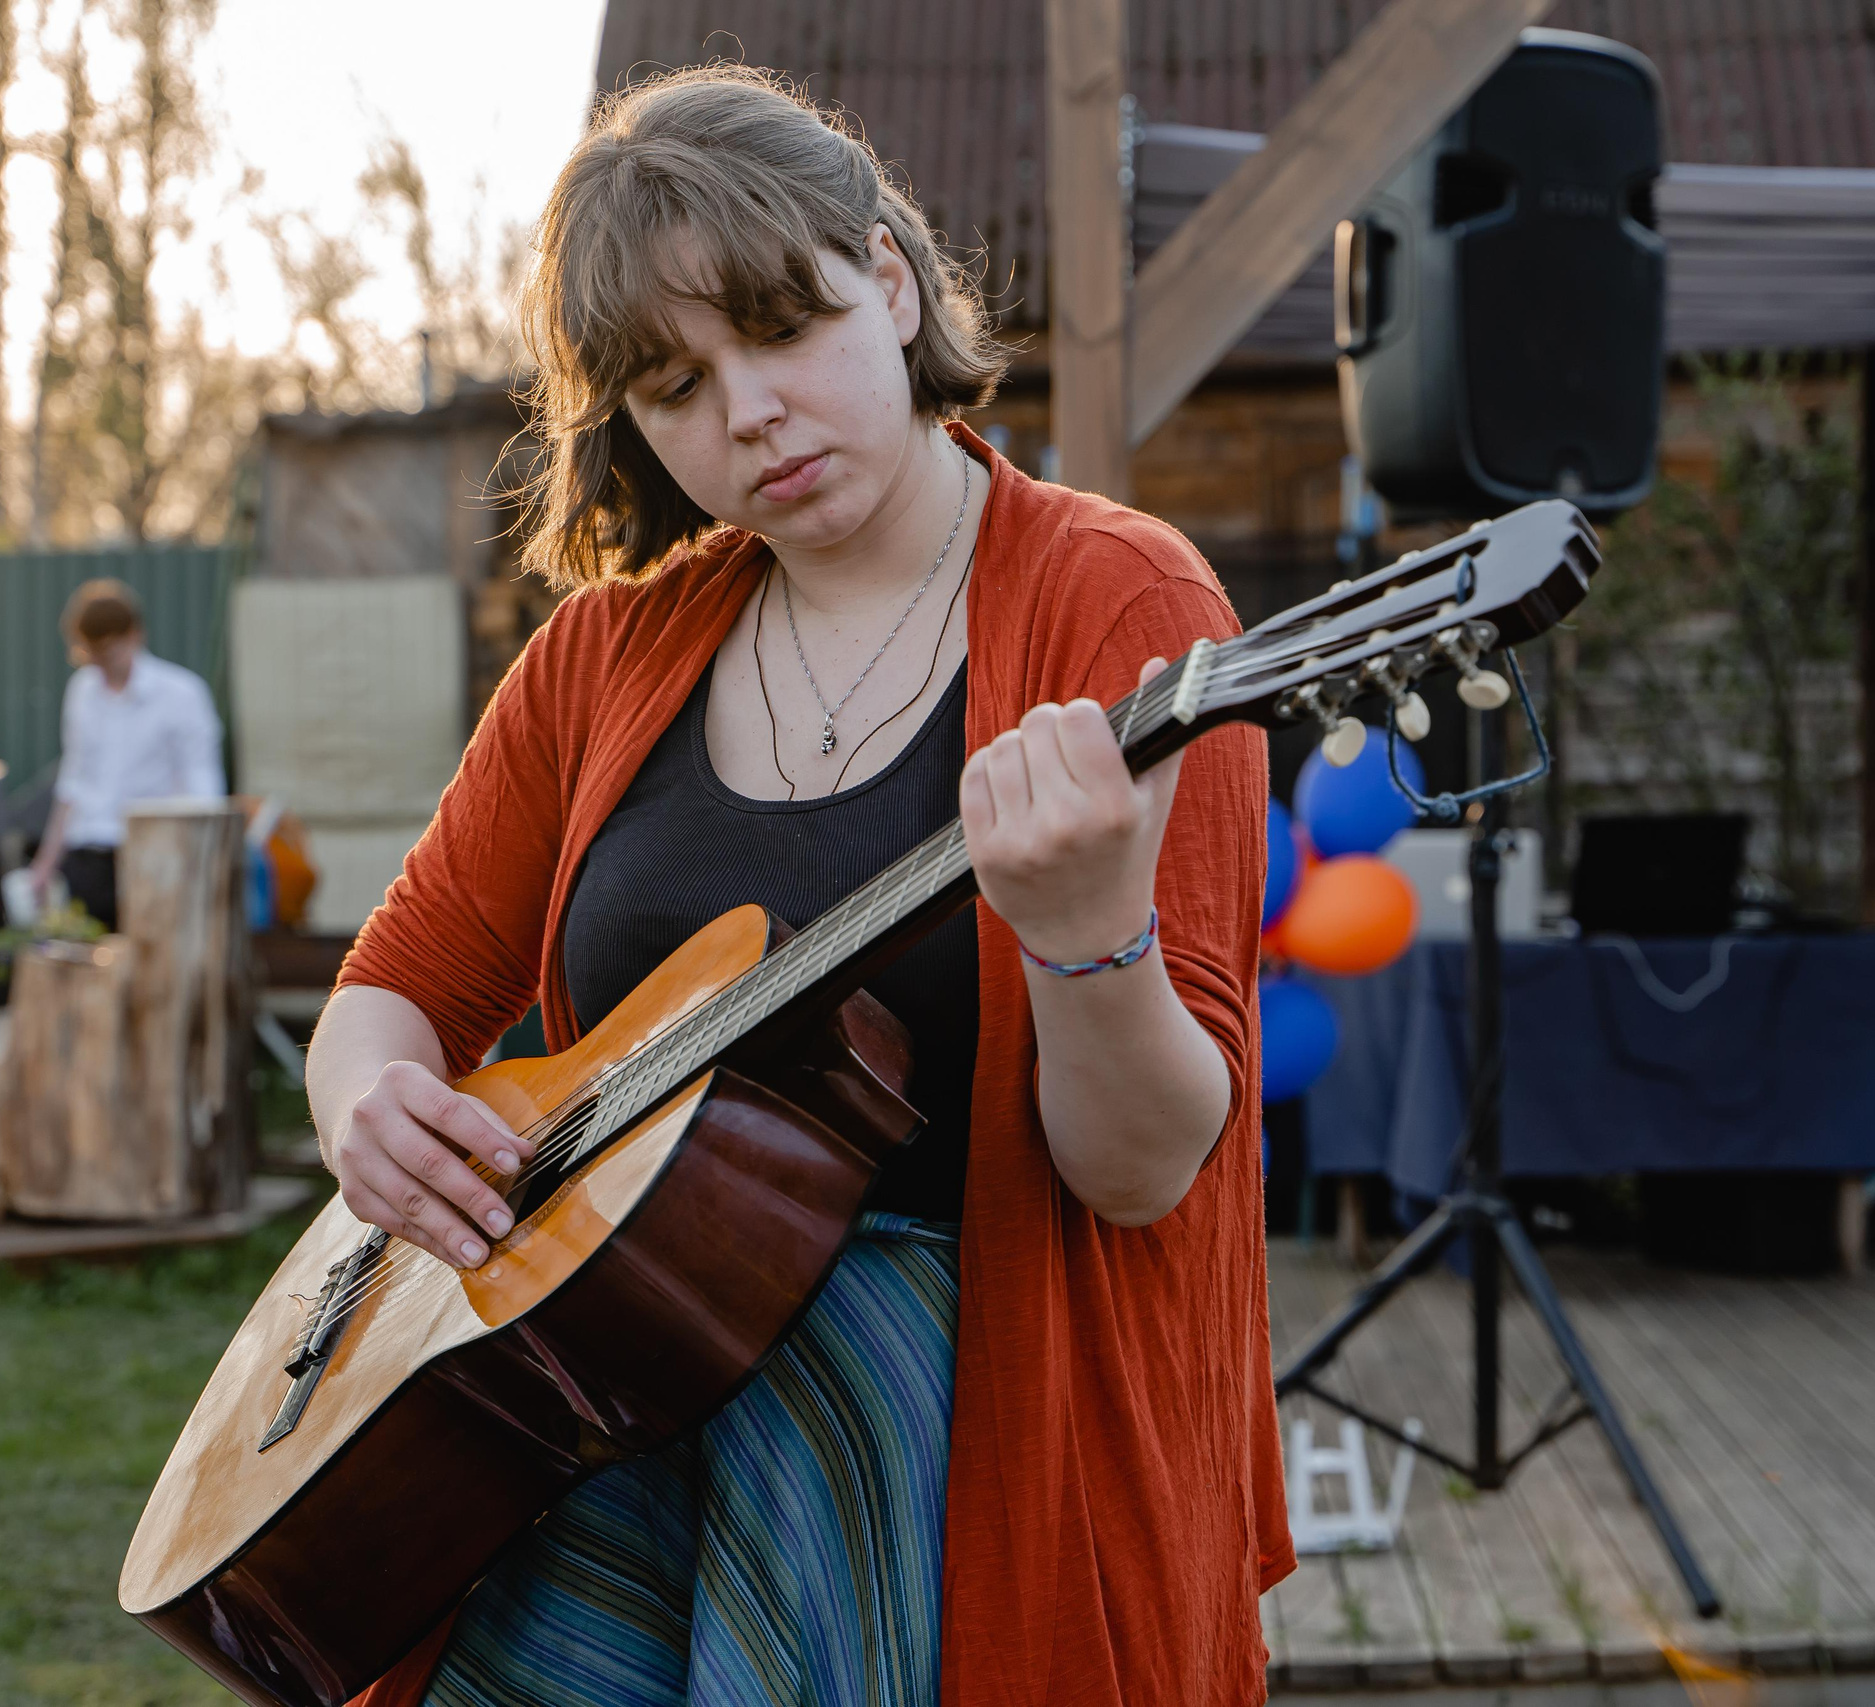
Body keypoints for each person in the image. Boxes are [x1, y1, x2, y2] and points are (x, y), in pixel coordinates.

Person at [316, 66, 1291, 1707]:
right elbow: (391, 990)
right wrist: (367, 1110)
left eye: (782, 329)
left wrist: (1087, 944)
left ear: (891, 281)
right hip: (606, 1430)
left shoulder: (1118, 603)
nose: (745, 413)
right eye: (673, 383)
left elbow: (1143, 1176)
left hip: (959, 1459)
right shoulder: (604, 654)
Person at [27, 578, 226, 930]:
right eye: (92, 653)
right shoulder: (82, 691)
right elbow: (73, 782)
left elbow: (203, 789)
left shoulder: (182, 694)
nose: (101, 663)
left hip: (154, 858)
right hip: (87, 860)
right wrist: (45, 865)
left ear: (135, 635)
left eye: (109, 651)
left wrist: (200, 867)